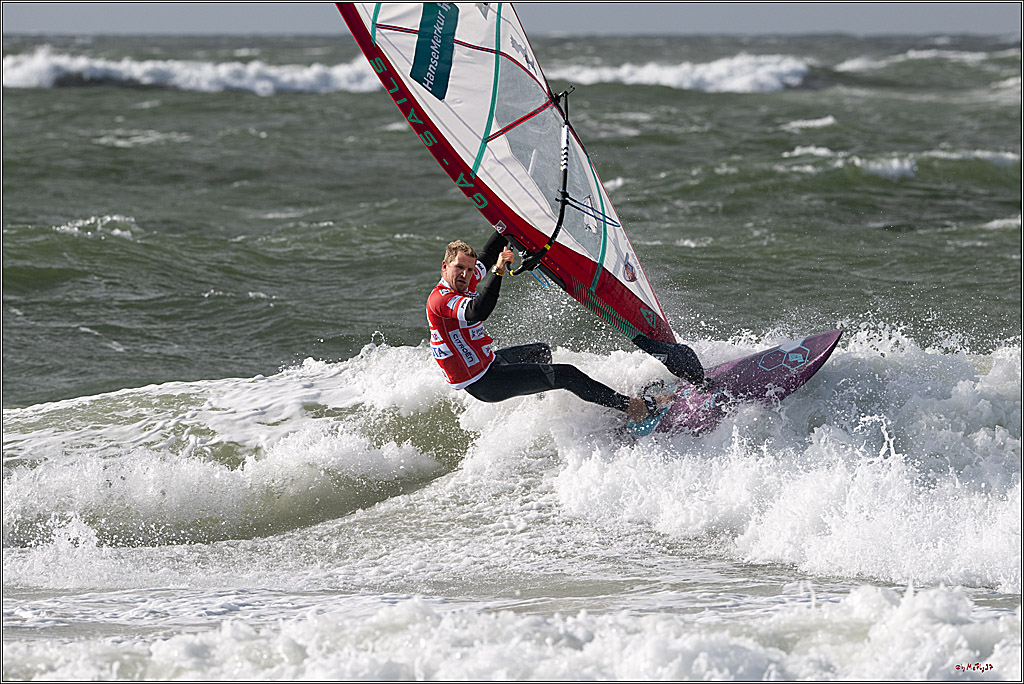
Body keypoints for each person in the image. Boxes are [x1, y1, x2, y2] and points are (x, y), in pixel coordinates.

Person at [425, 231, 669, 422]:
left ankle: (541, 410)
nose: (465, 274)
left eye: (469, 269)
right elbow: (478, 311)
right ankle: (634, 408)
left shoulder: (465, 278)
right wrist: (498, 272)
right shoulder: (441, 300)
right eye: (459, 268)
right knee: (567, 374)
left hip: (490, 362)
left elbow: (489, 252)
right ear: (445, 267)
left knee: (540, 352)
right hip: (484, 382)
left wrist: (507, 222)